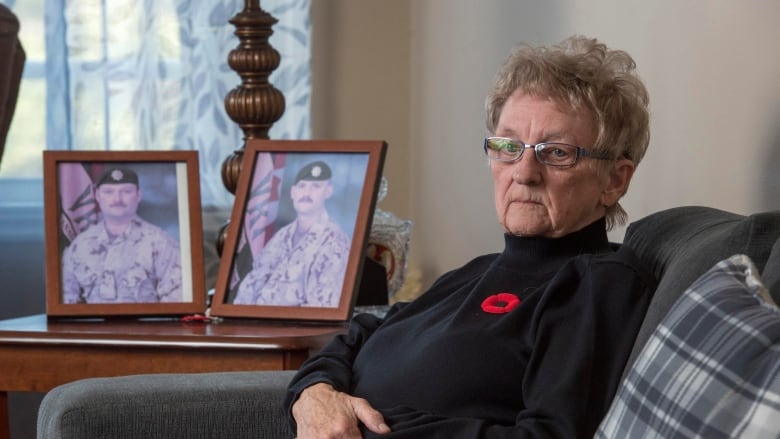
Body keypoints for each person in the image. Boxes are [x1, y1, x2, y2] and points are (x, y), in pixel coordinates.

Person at [285, 35, 657, 438]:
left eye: (557, 152)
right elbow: (360, 336)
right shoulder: (476, 273)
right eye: (508, 146)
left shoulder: (594, 284)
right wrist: (315, 393)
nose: (524, 171)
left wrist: (373, 428)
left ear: (615, 181)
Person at [233, 160, 351, 307]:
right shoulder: (282, 236)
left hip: (294, 328)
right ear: (293, 192)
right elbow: (250, 286)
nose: (306, 193)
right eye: (302, 186)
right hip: (256, 324)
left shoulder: (334, 242)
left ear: (328, 191)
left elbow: (323, 309)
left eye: (316, 186)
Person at [61, 166, 182, 304]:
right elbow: (66, 301)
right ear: (97, 196)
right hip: (93, 325)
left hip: (146, 325)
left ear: (138, 195)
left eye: (126, 191)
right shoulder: (79, 246)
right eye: (108, 192)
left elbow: (175, 302)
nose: (117, 199)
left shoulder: (161, 243)